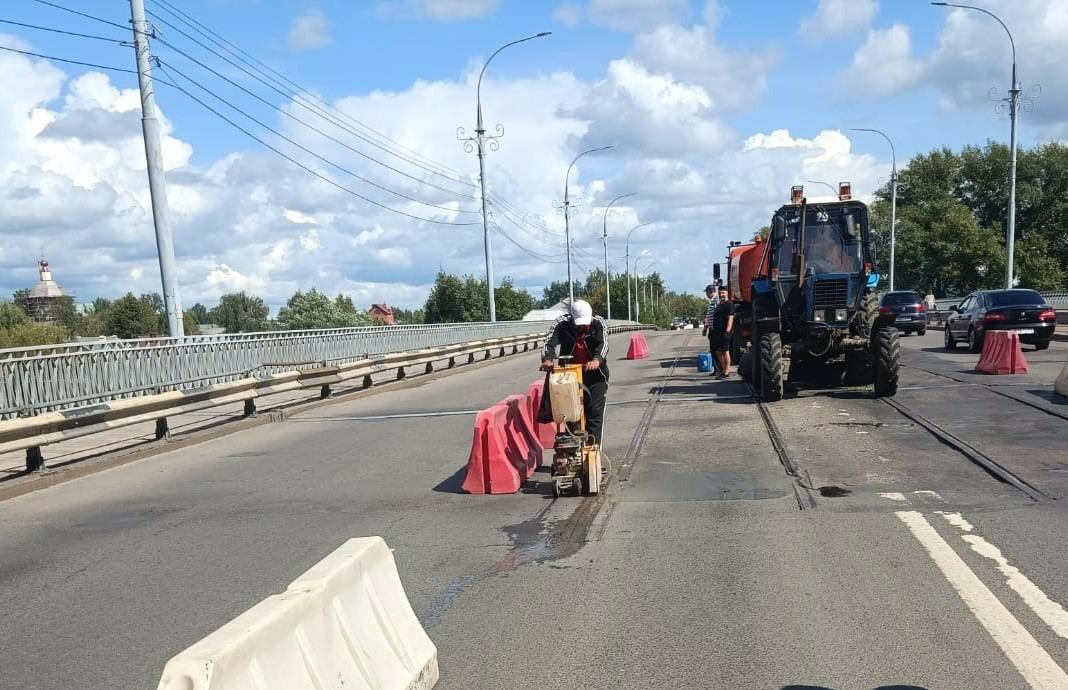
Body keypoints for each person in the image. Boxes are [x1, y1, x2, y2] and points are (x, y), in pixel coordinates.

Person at [540, 300, 609, 445]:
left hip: (595, 375)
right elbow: (550, 341)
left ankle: (593, 448)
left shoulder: (598, 323)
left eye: (585, 324)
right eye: (579, 325)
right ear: (572, 319)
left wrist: (597, 360)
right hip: (569, 375)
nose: (583, 327)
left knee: (594, 413)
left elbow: (603, 343)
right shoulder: (562, 323)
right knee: (569, 412)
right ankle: (572, 447)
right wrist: (548, 359)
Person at [709, 287, 735, 379]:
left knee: (725, 351)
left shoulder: (729, 304)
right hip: (717, 332)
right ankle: (723, 370)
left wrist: (727, 331)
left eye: (723, 293)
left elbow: (730, 319)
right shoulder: (720, 304)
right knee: (718, 351)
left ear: (727, 293)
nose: (721, 295)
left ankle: (727, 371)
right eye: (720, 293)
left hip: (724, 332)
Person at [701, 284, 718, 375]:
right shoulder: (712, 301)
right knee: (713, 350)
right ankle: (716, 369)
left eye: (706, 292)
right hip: (712, 329)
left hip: (715, 329)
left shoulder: (716, 300)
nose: (706, 295)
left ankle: (718, 369)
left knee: (716, 351)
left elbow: (717, 314)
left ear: (710, 291)